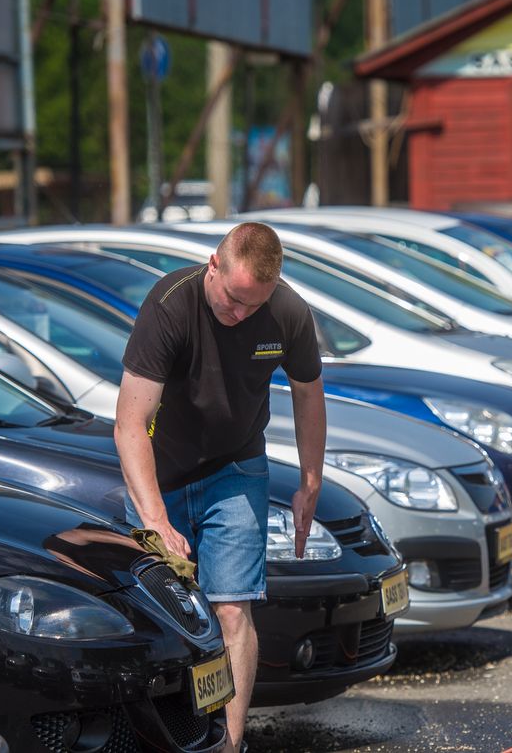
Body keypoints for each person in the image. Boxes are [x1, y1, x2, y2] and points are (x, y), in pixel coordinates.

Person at [115, 222, 325, 753]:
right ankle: (157, 737)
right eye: (233, 300)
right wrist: (156, 520)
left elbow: (308, 393)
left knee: (231, 608)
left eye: (254, 307)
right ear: (213, 265)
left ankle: (228, 745)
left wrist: (310, 481)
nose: (240, 315)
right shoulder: (170, 305)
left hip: (236, 468)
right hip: (160, 475)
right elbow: (129, 425)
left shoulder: (288, 313)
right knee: (159, 612)